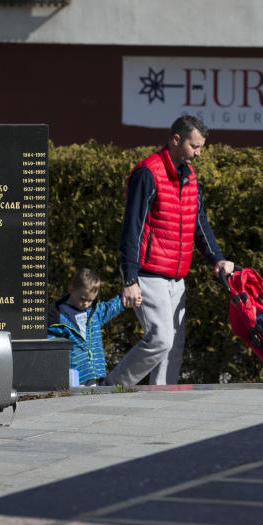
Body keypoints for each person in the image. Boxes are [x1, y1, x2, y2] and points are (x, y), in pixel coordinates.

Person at [107, 115, 234, 386]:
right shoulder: (148, 173)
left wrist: (218, 258)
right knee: (160, 339)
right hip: (148, 273)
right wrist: (129, 279)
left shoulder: (190, 177)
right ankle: (112, 387)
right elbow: (132, 229)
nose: (199, 153)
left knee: (173, 348)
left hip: (177, 278)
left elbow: (199, 224)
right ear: (176, 140)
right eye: (195, 146)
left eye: (201, 147)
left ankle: (162, 402)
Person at [47, 268, 125, 386]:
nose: (86, 304)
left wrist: (125, 299)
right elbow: (51, 343)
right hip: (72, 375)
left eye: (90, 300)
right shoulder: (56, 317)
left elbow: (110, 308)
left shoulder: (94, 312)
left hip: (93, 373)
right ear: (71, 289)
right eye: (83, 299)